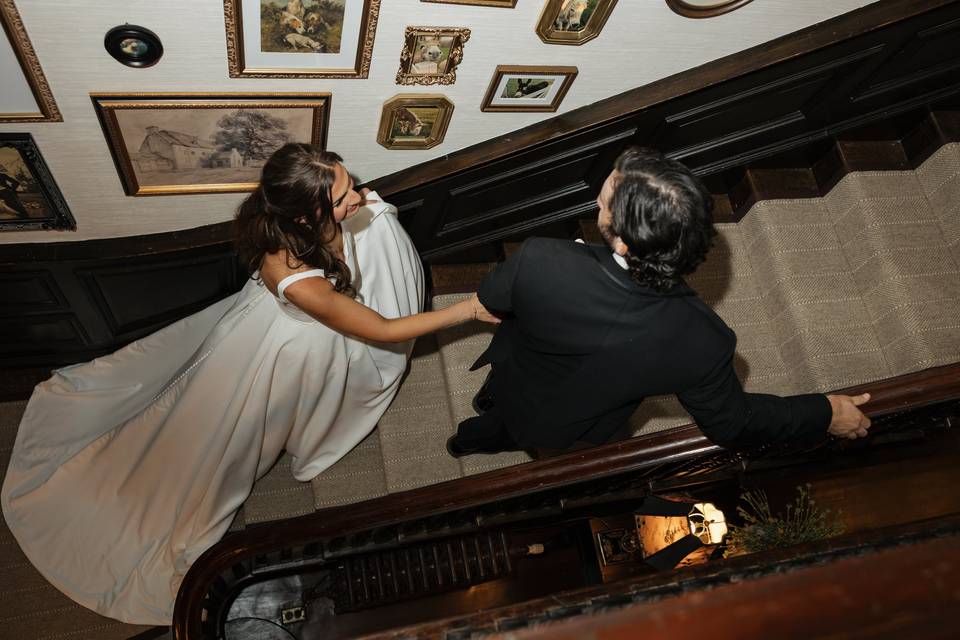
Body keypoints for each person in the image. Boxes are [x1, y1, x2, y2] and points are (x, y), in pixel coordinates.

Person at [1, 143, 494, 625]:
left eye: (352, 185)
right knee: (233, 437)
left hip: (294, 340)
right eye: (345, 196)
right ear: (305, 216)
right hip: (281, 354)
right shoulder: (294, 271)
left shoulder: (311, 217)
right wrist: (469, 310)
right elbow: (381, 331)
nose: (361, 198)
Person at [447, 146, 872, 458]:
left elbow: (490, 299)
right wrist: (824, 411)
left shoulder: (542, 258)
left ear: (625, 239)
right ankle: (468, 442)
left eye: (607, 195)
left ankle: (470, 434)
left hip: (520, 369)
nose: (600, 193)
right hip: (568, 421)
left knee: (496, 413)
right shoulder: (706, 341)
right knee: (508, 429)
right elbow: (732, 422)